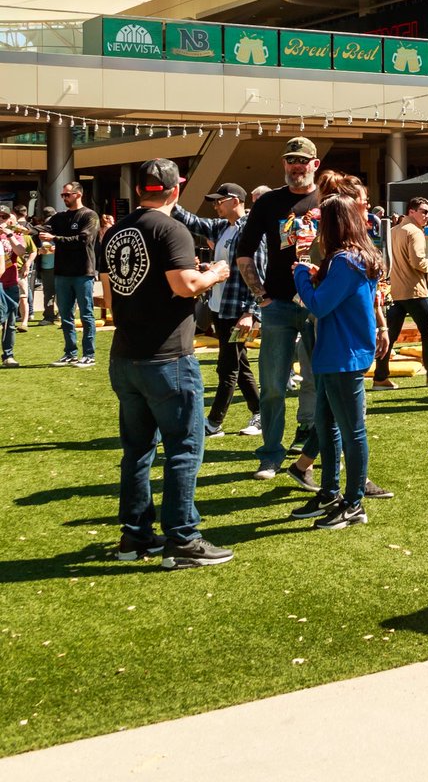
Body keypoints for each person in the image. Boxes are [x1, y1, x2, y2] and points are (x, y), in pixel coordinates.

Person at [100, 158, 233, 568]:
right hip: (167, 356)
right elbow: (184, 284)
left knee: (137, 450)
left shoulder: (118, 230)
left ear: (141, 189)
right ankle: (182, 538)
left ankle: (135, 536)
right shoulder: (171, 228)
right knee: (183, 448)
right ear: (177, 189)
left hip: (125, 353)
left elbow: (109, 294)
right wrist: (216, 274)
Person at [287, 195, 382, 529]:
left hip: (343, 354)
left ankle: (354, 503)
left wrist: (300, 272)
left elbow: (319, 305)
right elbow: (337, 298)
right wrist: (315, 275)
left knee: (352, 432)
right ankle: (329, 492)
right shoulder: (354, 259)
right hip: (336, 353)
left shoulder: (347, 260)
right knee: (326, 427)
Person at [235, 137, 323, 480]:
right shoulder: (269, 202)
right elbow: (244, 253)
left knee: (318, 380)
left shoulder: (327, 200)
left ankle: (311, 447)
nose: (295, 166)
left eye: (302, 160)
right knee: (272, 384)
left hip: (318, 305)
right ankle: (270, 455)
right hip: (279, 306)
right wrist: (261, 296)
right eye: (290, 160)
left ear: (315, 164)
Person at [172, 182, 264, 436]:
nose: (215, 206)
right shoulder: (223, 227)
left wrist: (251, 313)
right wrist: (170, 200)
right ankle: (260, 413)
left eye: (219, 201)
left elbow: (259, 274)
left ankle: (214, 422)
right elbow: (194, 222)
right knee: (239, 363)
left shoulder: (251, 230)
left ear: (235, 200)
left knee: (228, 367)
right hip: (220, 308)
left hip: (240, 312)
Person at [372, 195, 428, 390]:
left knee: (390, 335)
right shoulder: (415, 232)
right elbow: (419, 262)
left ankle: (380, 377)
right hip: (414, 291)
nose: (427, 215)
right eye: (424, 211)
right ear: (411, 211)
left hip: (395, 291)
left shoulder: (393, 231)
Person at [39, 181, 99, 368]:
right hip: (62, 273)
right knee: (65, 315)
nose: (64, 198)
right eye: (63, 195)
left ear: (78, 194)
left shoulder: (90, 215)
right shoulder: (60, 217)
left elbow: (83, 239)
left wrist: (55, 238)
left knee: (87, 315)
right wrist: (19, 230)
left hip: (83, 272)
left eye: (67, 195)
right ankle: (70, 353)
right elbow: (42, 230)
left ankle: (89, 354)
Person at [0, 208, 26, 366]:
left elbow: (22, 252)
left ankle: (8, 355)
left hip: (10, 283)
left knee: (9, 322)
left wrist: (9, 234)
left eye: (4, 216)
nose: (1, 219)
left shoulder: (15, 235)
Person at [35, 206, 58, 325]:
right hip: (46, 267)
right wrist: (39, 250)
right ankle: (49, 316)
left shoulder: (61, 230)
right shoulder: (38, 232)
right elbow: (32, 249)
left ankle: (62, 315)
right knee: (48, 292)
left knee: (62, 292)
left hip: (60, 266)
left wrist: (57, 249)